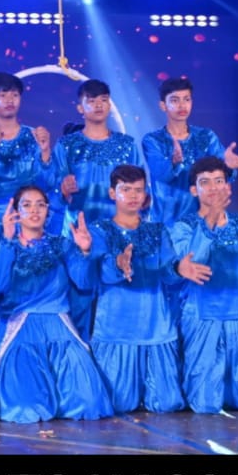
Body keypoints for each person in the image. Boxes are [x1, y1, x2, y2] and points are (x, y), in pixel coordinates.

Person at [0, 185, 112, 423]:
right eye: (26, 205)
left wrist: (85, 251)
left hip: (59, 325)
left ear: (48, 211)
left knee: (89, 403)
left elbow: (84, 281)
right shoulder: (8, 246)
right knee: (26, 408)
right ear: (16, 212)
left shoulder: (62, 245)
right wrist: (6, 239)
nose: (34, 210)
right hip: (20, 327)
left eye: (40, 205)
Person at [0, 72, 58, 380]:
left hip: (28, 234)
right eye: (2, 95)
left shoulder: (34, 137)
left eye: (14, 95)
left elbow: (47, 185)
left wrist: (45, 154)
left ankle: (23, 376)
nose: (8, 101)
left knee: (25, 301)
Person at [169, 157, 238, 414]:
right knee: (204, 404)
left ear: (227, 186)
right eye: (205, 182)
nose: (213, 188)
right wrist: (211, 219)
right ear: (194, 190)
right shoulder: (183, 227)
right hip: (203, 317)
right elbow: (193, 261)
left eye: (219, 181)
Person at [88, 165, 185, 413]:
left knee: (166, 404)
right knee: (118, 404)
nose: (133, 195)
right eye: (126, 189)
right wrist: (119, 263)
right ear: (112, 193)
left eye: (138, 190)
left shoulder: (157, 231)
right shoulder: (100, 230)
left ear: (145, 195)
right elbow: (100, 273)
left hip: (155, 325)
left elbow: (168, 273)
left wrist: (180, 269)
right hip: (116, 327)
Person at [53, 79, 143, 338]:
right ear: (80, 107)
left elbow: (139, 189)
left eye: (103, 100)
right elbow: (54, 190)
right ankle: (80, 357)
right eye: (91, 101)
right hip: (79, 234)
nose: (98, 105)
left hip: (118, 233)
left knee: (119, 299)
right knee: (79, 302)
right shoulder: (67, 145)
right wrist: (62, 189)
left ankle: (117, 358)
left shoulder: (126, 145)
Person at [142, 78, 238, 225]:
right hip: (166, 222)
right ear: (163, 105)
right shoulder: (153, 140)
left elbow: (222, 176)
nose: (182, 105)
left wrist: (227, 166)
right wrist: (174, 162)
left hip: (204, 221)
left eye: (186, 99)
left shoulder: (206, 136)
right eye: (174, 100)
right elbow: (160, 174)